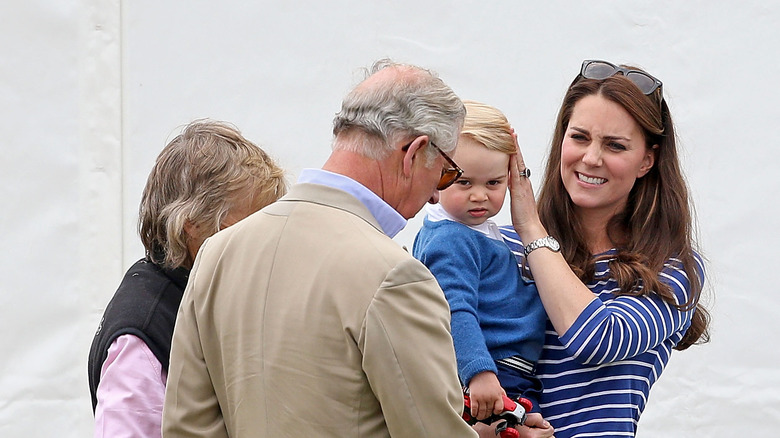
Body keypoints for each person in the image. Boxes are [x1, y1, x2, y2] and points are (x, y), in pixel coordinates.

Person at [162, 59, 484, 438]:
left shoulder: (216, 254)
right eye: (446, 173)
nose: (436, 196)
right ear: (413, 153)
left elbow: (186, 428)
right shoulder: (395, 276)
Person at [502, 59, 711, 437]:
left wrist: (532, 228)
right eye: (579, 137)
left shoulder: (672, 268)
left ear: (647, 160)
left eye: (615, 145)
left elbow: (597, 338)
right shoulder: (501, 246)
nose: (591, 158)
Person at [88, 119, 287, 438]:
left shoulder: (205, 290)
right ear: (191, 225)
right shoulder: (142, 335)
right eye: (248, 227)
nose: (264, 242)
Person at [412, 101, 549, 423]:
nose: (480, 195)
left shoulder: (472, 230)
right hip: (494, 371)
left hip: (508, 371)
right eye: (464, 182)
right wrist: (479, 373)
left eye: (494, 183)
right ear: (437, 174)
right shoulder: (453, 239)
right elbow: (453, 309)